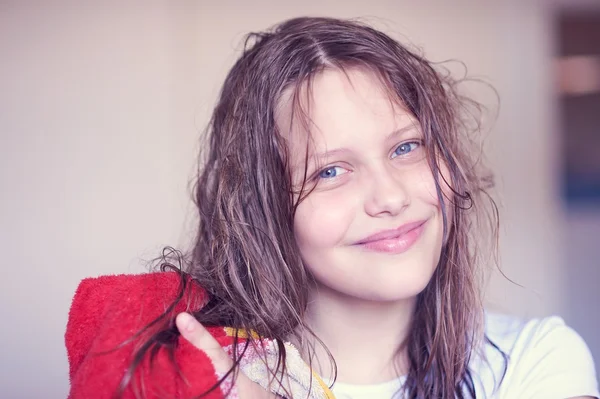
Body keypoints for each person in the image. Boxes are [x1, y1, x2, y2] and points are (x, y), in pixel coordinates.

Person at [66, 16, 599, 399]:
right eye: (330, 171)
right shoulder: (198, 374)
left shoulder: (535, 364)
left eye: (405, 148)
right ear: (263, 209)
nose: (390, 196)